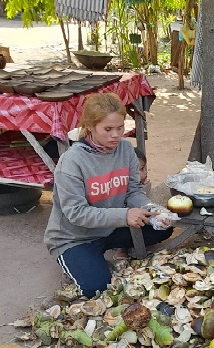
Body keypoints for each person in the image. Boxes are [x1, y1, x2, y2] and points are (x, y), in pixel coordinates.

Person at [44, 93, 174, 298]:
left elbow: (133, 191)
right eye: (108, 129)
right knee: (97, 289)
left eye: (120, 127)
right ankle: (77, 261)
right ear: (89, 127)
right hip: (75, 237)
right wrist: (124, 216)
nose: (116, 135)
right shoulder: (72, 162)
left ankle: (100, 255)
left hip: (110, 228)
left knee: (161, 228)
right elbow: (76, 214)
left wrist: (152, 209)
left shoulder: (125, 150)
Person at [113, 147, 150, 261]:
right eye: (140, 169)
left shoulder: (139, 186)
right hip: (117, 226)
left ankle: (139, 244)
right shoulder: (117, 189)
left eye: (144, 168)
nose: (145, 173)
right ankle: (122, 249)